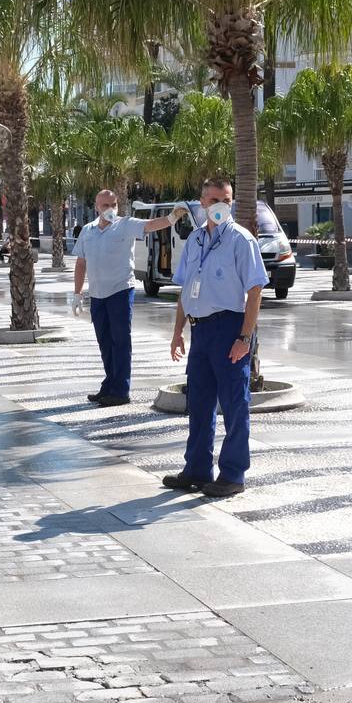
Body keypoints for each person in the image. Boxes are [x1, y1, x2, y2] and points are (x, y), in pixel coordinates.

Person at [164, 178, 268, 498]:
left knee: (234, 404)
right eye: (213, 199)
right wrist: (177, 333)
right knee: (199, 402)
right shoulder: (195, 239)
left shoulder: (241, 239)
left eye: (225, 199)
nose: (219, 205)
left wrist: (244, 337)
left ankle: (233, 474)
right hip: (200, 330)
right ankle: (196, 468)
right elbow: (185, 290)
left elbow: (254, 291)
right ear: (202, 202)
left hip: (229, 328)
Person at [72, 190, 187, 406]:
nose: (110, 209)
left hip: (120, 291)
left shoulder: (124, 224)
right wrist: (77, 293)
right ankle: (109, 384)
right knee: (105, 342)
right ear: (97, 206)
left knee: (121, 341)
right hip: (97, 294)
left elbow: (151, 224)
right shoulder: (88, 230)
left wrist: (171, 218)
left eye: (113, 204)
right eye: (105, 205)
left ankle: (121, 391)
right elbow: (81, 263)